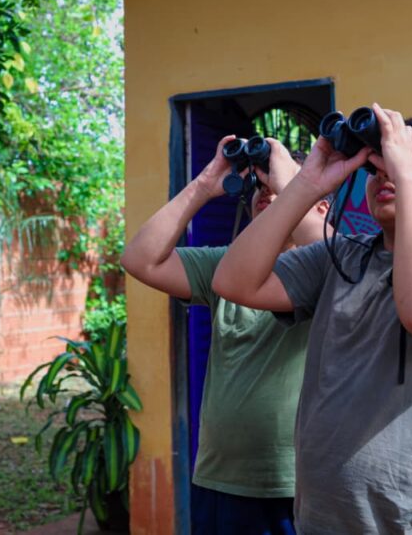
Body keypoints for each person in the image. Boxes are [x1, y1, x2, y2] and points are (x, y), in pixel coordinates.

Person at [211, 105, 412, 534]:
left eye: (408, 160)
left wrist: (400, 168)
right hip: (326, 521)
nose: (384, 174)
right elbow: (234, 280)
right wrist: (308, 184)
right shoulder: (343, 256)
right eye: (376, 168)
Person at [120, 135, 330, 535]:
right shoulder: (225, 265)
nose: (266, 195)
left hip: (300, 483)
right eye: (260, 190)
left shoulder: (333, 271)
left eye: (278, 189)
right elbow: (139, 259)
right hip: (221, 479)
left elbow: (346, 265)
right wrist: (204, 183)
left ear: (318, 207)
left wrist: (294, 185)